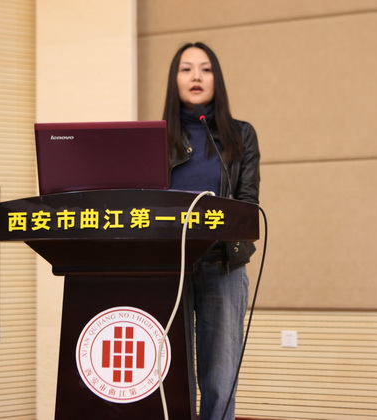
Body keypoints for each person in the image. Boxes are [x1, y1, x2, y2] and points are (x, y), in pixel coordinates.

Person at [162, 42, 261, 420]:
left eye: (205, 69)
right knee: (172, 372)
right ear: (174, 80)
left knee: (220, 377)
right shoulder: (158, 138)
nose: (196, 77)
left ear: (216, 78)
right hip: (171, 266)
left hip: (223, 264)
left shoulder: (240, 134)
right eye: (186, 69)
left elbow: (248, 203)